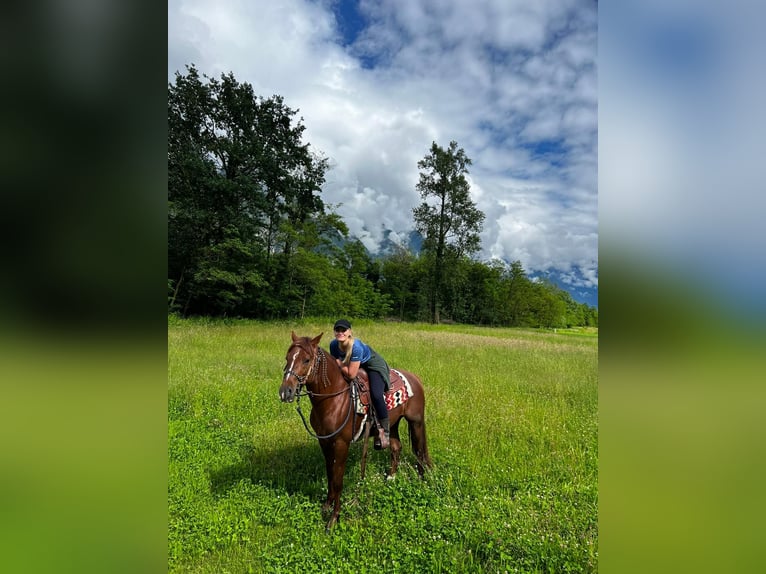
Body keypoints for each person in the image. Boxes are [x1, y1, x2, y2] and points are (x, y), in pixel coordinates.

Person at [329, 319, 392, 449]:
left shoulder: (356, 347)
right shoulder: (333, 345)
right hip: (352, 365)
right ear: (334, 332)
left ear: (349, 332)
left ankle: (385, 431)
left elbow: (351, 374)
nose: (340, 332)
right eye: (337, 330)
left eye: (344, 330)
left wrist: (339, 364)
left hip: (372, 365)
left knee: (376, 394)